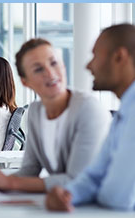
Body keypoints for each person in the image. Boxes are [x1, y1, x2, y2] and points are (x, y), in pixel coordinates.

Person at [0, 38, 111, 192]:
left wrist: (9, 183)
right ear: (25, 82)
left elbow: (78, 180)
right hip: (66, 200)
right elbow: (30, 169)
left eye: (54, 63)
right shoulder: (36, 111)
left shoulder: (89, 109)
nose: (50, 73)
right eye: (38, 69)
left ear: (63, 65)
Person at [46, 24, 135, 211]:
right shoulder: (125, 112)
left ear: (119, 57)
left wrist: (92, 191)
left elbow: (119, 197)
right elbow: (94, 175)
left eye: (95, 55)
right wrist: (68, 194)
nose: (88, 65)